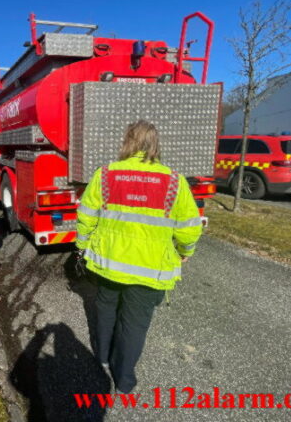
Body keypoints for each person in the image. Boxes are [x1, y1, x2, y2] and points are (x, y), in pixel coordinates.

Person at [75, 120, 202, 394]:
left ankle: (102, 359)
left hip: (108, 263)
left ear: (128, 142)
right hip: (150, 269)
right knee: (134, 324)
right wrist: (185, 252)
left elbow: (86, 215)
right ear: (154, 144)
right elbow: (190, 227)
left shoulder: (106, 174)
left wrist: (82, 244)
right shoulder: (174, 181)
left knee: (106, 310)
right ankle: (124, 379)